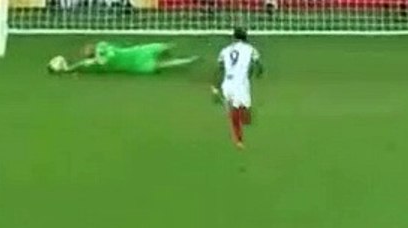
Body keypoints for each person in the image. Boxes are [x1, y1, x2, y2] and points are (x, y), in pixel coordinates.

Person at [212, 27, 262, 150]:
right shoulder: (251, 49)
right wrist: (257, 73)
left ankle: (228, 103)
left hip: (227, 83)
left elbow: (220, 68)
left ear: (233, 37)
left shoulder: (224, 50)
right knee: (240, 114)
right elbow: (259, 66)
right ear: (246, 37)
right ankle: (239, 140)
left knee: (242, 114)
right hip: (241, 84)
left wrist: (215, 85)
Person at [51, 42, 198, 75]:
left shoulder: (102, 46)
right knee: (165, 65)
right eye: (85, 50)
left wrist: (97, 60)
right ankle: (189, 60)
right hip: (135, 66)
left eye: (87, 48)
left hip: (137, 52)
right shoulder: (92, 62)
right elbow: (81, 65)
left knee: (165, 47)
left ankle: (183, 48)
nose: (86, 49)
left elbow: (111, 55)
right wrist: (67, 69)